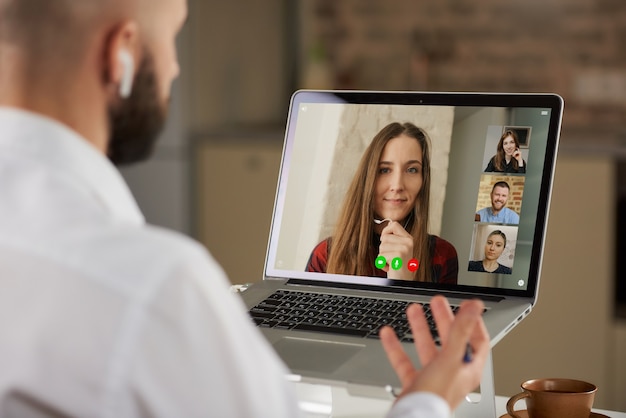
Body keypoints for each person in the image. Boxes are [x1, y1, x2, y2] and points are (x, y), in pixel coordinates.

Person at [0, 0, 489, 416]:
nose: (173, 68)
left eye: (413, 169)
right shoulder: (157, 286)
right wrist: (430, 398)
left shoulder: (441, 253)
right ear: (121, 53)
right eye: (172, 37)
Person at [306, 122, 459, 284]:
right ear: (368, 179)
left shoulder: (442, 255)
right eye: (384, 170)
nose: (397, 185)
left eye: (412, 170)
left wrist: (402, 280)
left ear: (423, 180)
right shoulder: (326, 254)